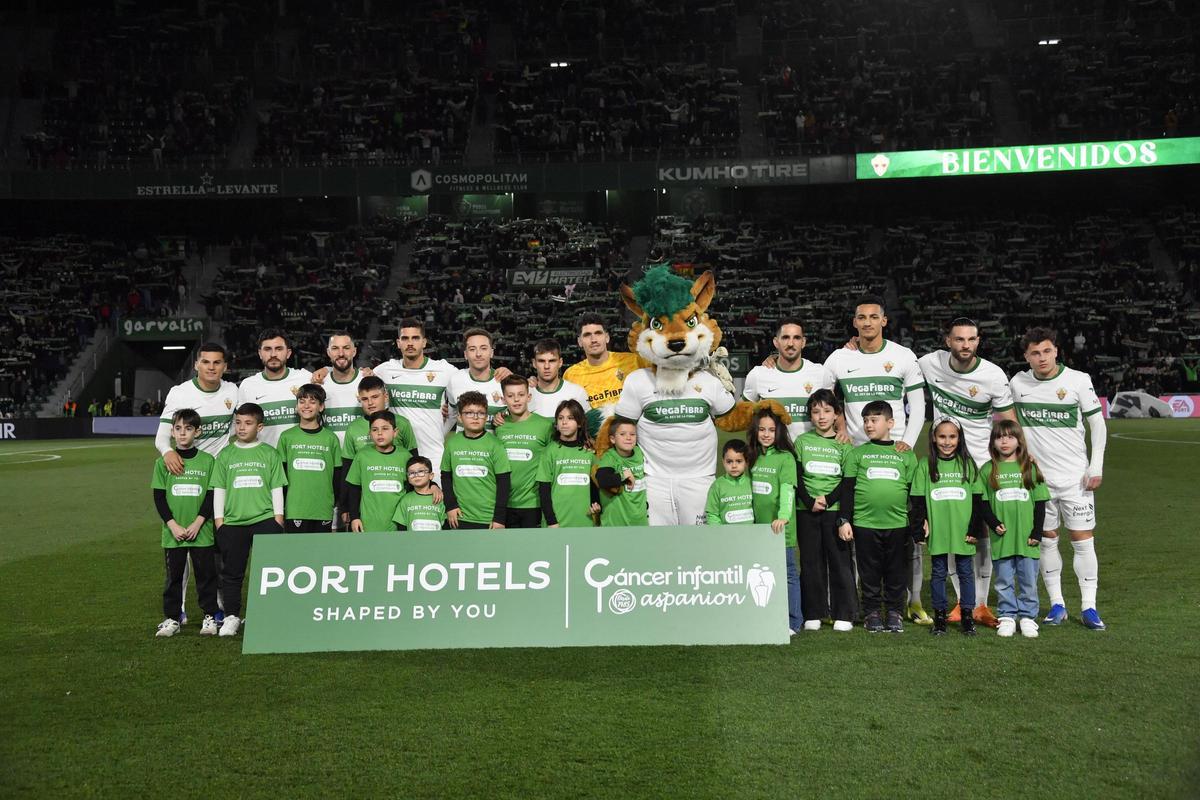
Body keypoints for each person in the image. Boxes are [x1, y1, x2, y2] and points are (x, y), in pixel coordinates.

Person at [825, 296, 929, 625]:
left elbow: (918, 405)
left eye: (873, 317)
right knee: (859, 535)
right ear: (854, 323)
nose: (867, 322)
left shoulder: (902, 356)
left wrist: (907, 443)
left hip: (896, 455)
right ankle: (861, 604)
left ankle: (913, 601)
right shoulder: (839, 358)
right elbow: (825, 398)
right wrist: (841, 425)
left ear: (884, 321)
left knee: (906, 531)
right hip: (856, 456)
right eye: (861, 317)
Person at [917, 317, 1016, 628]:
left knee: (980, 530)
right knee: (948, 528)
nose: (966, 345)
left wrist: (1013, 461)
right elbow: (894, 364)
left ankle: (980, 604)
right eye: (959, 339)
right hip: (947, 461)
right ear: (948, 341)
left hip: (981, 464)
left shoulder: (993, 375)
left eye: (971, 339)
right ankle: (963, 603)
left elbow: (1009, 422)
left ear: (978, 341)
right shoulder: (930, 363)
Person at [1010, 327, 1107, 630]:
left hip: (1076, 478)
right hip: (1037, 480)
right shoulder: (1017, 383)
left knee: (1082, 539)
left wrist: (1095, 466)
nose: (1042, 358)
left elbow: (1098, 424)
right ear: (1026, 356)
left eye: (1047, 351)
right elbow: (1008, 423)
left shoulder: (1078, 380)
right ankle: (1057, 604)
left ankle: (1089, 607)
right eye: (1035, 353)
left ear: (1056, 351)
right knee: (1047, 539)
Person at [835, 400, 919, 634]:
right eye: (865, 421)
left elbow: (914, 494)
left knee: (896, 572)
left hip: (898, 524)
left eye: (874, 420)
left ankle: (894, 612)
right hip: (865, 523)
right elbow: (847, 490)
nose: (868, 425)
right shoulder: (857, 454)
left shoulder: (905, 454)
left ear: (890, 423)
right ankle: (871, 612)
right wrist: (844, 520)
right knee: (869, 572)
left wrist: (918, 522)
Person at [211, 403, 287, 637]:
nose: (242, 428)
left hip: (265, 520)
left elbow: (276, 488)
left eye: (248, 423)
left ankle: (268, 614)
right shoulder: (226, 454)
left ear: (259, 427)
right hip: (233, 523)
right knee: (232, 573)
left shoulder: (269, 453)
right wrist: (219, 521)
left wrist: (278, 519)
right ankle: (232, 617)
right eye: (238, 423)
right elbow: (219, 489)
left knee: (270, 571)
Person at [908, 418, 982, 636]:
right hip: (938, 529)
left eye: (952, 436)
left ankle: (967, 616)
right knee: (938, 572)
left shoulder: (967, 464)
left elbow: (978, 500)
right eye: (942, 436)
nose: (947, 442)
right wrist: (918, 527)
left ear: (959, 439)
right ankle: (940, 618)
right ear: (933, 438)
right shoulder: (925, 465)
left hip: (963, 530)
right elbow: (917, 499)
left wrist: (974, 528)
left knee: (965, 572)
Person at [978, 419, 1050, 638]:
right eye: (1000, 437)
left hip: (1027, 537)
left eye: (1010, 437)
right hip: (1002, 537)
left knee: (1028, 580)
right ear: (993, 442)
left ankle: (1028, 617)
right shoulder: (988, 469)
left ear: (1019, 441)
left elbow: (1040, 503)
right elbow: (982, 502)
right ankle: (1007, 616)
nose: (1004, 441)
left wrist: (1037, 532)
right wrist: (993, 523)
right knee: (1003, 580)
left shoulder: (1029, 467)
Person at [150, 409, 218, 638]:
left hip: (202, 531)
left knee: (206, 576)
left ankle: (210, 616)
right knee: (174, 578)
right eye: (178, 428)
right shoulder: (162, 463)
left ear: (197, 432)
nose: (182, 433)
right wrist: (173, 525)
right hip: (174, 533)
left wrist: (198, 523)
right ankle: (173, 618)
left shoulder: (208, 461)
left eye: (188, 429)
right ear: (172, 432)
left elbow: (211, 495)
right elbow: (159, 498)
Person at [795, 389, 855, 632]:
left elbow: (847, 482)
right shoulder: (802, 442)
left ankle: (844, 613)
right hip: (806, 510)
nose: (821, 416)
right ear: (810, 415)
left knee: (840, 562)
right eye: (816, 411)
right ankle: (813, 612)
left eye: (827, 411)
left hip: (834, 510)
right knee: (811, 562)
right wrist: (809, 500)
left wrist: (828, 500)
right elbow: (796, 477)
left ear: (836, 414)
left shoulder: (844, 445)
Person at [373, 318, 456, 477]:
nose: (410, 343)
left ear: (424, 342)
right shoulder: (385, 370)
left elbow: (470, 382)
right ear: (398, 343)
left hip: (433, 456)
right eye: (405, 338)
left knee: (434, 493)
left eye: (415, 338)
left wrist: (443, 430)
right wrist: (327, 370)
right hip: (397, 456)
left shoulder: (444, 370)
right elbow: (355, 379)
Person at [747, 407, 801, 635]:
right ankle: (766, 616)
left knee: (787, 574)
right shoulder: (752, 456)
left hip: (780, 529)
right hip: (758, 529)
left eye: (771, 430)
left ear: (779, 431)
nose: (766, 434)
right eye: (762, 430)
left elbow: (788, 489)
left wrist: (783, 517)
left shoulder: (785, 458)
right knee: (762, 574)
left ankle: (794, 621)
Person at [743, 318, 835, 440]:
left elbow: (834, 411)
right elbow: (741, 414)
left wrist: (842, 430)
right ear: (776, 342)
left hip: (811, 450)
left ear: (803, 342)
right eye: (785, 337)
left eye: (796, 338)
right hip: (773, 451)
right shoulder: (758, 375)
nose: (791, 343)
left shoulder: (821, 373)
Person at [155, 342, 238, 471]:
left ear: (225, 367)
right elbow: (163, 434)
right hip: (190, 469)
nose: (211, 367)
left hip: (221, 470)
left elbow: (240, 424)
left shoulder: (232, 391)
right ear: (196, 365)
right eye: (205, 362)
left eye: (217, 362)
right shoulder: (179, 393)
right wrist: (167, 451)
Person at [563, 313, 645, 434]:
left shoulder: (633, 361)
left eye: (598, 333)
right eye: (587, 335)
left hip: (634, 434)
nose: (594, 340)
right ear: (579, 341)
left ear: (607, 337)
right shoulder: (571, 375)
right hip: (596, 437)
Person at [276, 384, 342, 533]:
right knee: (296, 548)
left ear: (321, 407)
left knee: (321, 548)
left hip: (323, 508)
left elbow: (337, 475)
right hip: (295, 509)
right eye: (302, 401)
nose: (306, 406)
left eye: (312, 402)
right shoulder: (286, 437)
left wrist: (332, 501)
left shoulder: (331, 438)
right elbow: (281, 475)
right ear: (296, 406)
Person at [441, 391, 511, 529]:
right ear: (459, 417)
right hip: (458, 516)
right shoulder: (452, 443)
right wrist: (450, 506)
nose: (475, 417)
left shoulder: (495, 444)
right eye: (469, 413)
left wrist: (499, 517)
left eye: (480, 413)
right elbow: (446, 477)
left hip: (488, 518)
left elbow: (504, 483)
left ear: (486, 417)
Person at [236, 329, 313, 448]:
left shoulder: (305, 378)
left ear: (288, 353)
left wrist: (326, 369)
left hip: (300, 454)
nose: (273, 354)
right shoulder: (248, 386)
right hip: (264, 456)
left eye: (279, 349)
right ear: (260, 353)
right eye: (267, 349)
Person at [494, 374, 553, 528]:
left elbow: (553, 462)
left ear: (529, 397)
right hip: (505, 504)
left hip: (534, 503)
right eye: (510, 396)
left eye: (521, 394)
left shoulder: (545, 426)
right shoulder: (500, 426)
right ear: (503, 399)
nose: (516, 399)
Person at [346, 410, 413, 533]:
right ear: (370, 433)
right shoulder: (362, 456)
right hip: (368, 524)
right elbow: (354, 488)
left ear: (395, 432)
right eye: (375, 429)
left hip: (399, 524)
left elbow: (414, 488)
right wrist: (354, 517)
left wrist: (433, 486)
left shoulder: (405, 456)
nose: (380, 433)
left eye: (385, 428)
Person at [537, 399, 601, 528]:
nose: (564, 422)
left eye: (570, 418)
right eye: (560, 418)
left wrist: (596, 506)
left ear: (579, 423)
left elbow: (596, 485)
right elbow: (543, 490)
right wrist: (551, 521)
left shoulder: (589, 452)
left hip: (585, 523)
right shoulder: (549, 451)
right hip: (555, 524)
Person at [445, 328, 506, 431]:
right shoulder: (455, 380)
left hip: (495, 441)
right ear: (465, 354)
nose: (478, 354)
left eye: (483, 348)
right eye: (472, 349)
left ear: (491, 352)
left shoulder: (505, 381)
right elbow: (451, 415)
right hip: (462, 441)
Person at [593, 416, 648, 527]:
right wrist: (624, 475)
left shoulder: (639, 452)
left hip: (639, 520)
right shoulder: (609, 457)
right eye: (622, 434)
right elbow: (602, 480)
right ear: (612, 439)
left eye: (632, 434)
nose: (628, 438)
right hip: (615, 523)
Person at [316, 331, 366, 445]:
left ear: (354, 351)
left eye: (346, 348)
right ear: (328, 352)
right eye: (335, 348)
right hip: (330, 453)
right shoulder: (319, 383)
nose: (341, 353)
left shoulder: (367, 380)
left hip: (362, 454)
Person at [528, 339, 590, 419]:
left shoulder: (577, 392)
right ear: (534, 363)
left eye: (552, 361)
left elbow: (587, 424)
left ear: (560, 362)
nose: (547, 366)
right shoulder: (524, 394)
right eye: (541, 361)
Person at [704, 440, 755, 525]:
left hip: (751, 532)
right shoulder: (717, 485)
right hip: (725, 533)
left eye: (739, 461)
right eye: (729, 461)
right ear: (723, 462)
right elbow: (712, 514)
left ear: (746, 462)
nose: (734, 466)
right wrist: (720, 532)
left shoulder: (752, 484)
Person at [392, 456, 446, 531]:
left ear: (431, 475)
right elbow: (401, 528)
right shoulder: (405, 500)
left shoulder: (440, 498)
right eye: (412, 473)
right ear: (408, 478)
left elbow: (446, 525)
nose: (416, 475)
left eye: (421, 471)